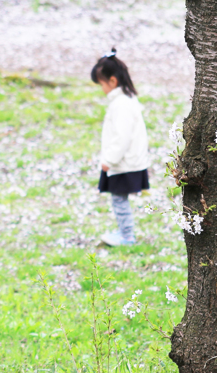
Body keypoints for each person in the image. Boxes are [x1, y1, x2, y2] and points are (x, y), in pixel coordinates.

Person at [92, 48, 150, 247]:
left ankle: (126, 236)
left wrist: (109, 160)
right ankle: (125, 233)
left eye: (101, 84)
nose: (102, 89)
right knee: (119, 199)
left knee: (119, 200)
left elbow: (121, 137)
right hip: (128, 161)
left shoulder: (121, 105)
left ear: (113, 81)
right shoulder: (126, 100)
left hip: (124, 162)